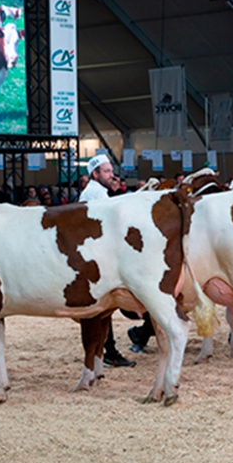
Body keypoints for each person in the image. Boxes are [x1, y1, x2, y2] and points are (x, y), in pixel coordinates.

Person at [80, 154, 135, 368]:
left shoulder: (99, 191)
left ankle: (105, 352)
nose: (111, 175)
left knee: (104, 307)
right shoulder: (95, 193)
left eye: (111, 171)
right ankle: (105, 352)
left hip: (98, 254)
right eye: (107, 171)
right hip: (97, 256)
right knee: (102, 307)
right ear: (95, 174)